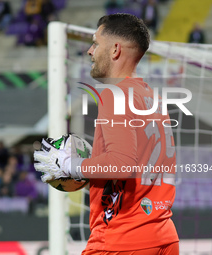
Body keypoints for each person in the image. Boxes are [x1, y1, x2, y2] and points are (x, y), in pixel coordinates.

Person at [34, 14, 179, 254]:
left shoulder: (114, 95)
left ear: (115, 50)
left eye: (95, 43)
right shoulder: (153, 98)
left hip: (122, 238)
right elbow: (137, 169)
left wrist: (70, 165)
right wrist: (90, 172)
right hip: (162, 235)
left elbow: (122, 164)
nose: (90, 51)